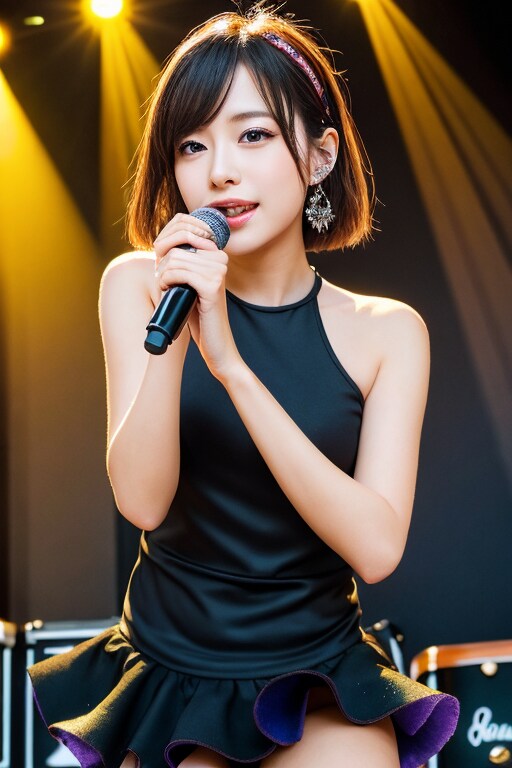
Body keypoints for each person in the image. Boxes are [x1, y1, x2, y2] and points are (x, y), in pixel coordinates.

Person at [27, 4, 460, 767]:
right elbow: (142, 501)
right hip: (170, 669)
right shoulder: (138, 285)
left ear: (320, 156)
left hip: (315, 672)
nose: (219, 169)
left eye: (253, 135)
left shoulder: (388, 332)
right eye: (192, 145)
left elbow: (376, 547)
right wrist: (180, 324)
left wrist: (230, 365)